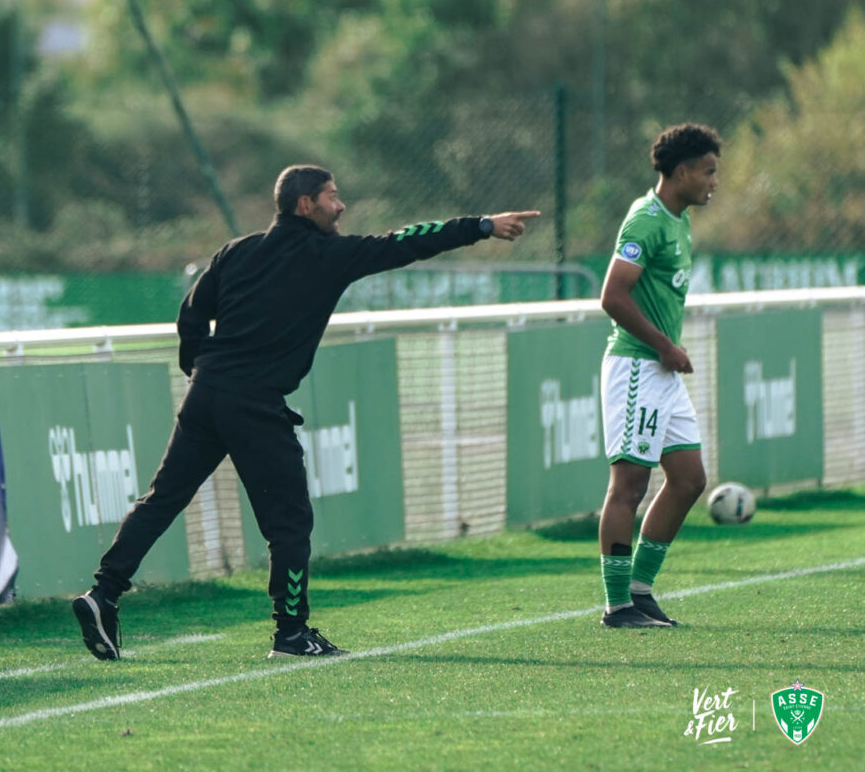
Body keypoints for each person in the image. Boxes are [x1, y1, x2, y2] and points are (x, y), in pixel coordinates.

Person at [72, 165, 540, 659]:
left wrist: (199, 370)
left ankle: (103, 592)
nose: (341, 207)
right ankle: (291, 633)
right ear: (305, 205)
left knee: (162, 499)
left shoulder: (236, 251)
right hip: (254, 403)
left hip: (207, 393)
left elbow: (190, 313)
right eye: (332, 197)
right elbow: (405, 241)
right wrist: (482, 225)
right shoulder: (328, 255)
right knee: (290, 523)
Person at [596, 124, 721, 628]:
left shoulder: (680, 219)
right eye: (709, 171)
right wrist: (664, 345)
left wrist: (667, 351)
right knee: (628, 486)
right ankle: (617, 605)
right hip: (636, 366)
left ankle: (641, 592)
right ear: (683, 171)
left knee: (690, 480)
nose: (714, 181)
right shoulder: (646, 220)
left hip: (661, 370)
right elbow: (612, 296)